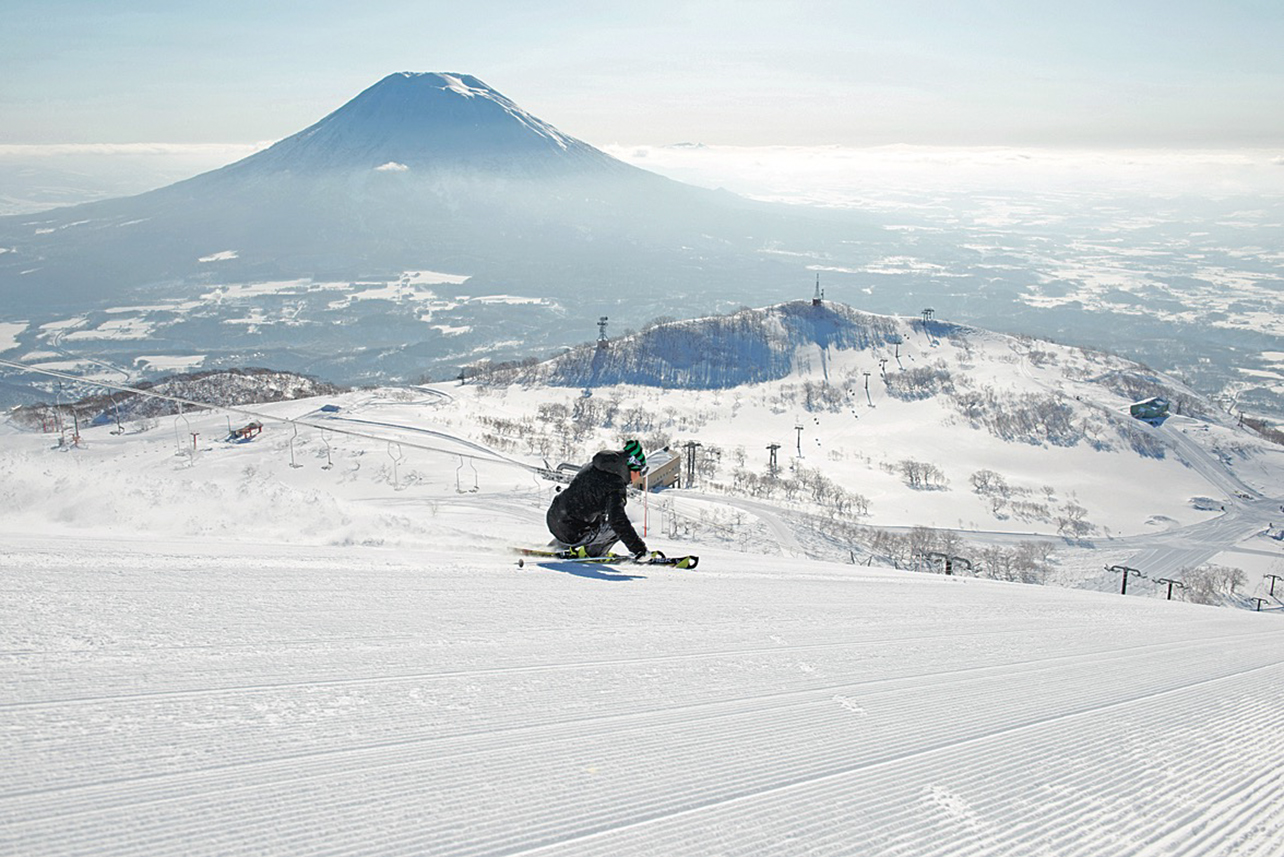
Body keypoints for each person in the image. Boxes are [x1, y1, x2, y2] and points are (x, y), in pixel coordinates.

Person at [546, 439, 651, 559]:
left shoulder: (595, 466)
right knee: (614, 529)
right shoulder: (615, 485)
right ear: (632, 466)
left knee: (591, 519)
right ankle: (593, 554)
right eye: (641, 471)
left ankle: (556, 546)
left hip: (555, 518)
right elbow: (618, 521)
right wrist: (640, 550)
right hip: (573, 531)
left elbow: (585, 500)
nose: (640, 477)